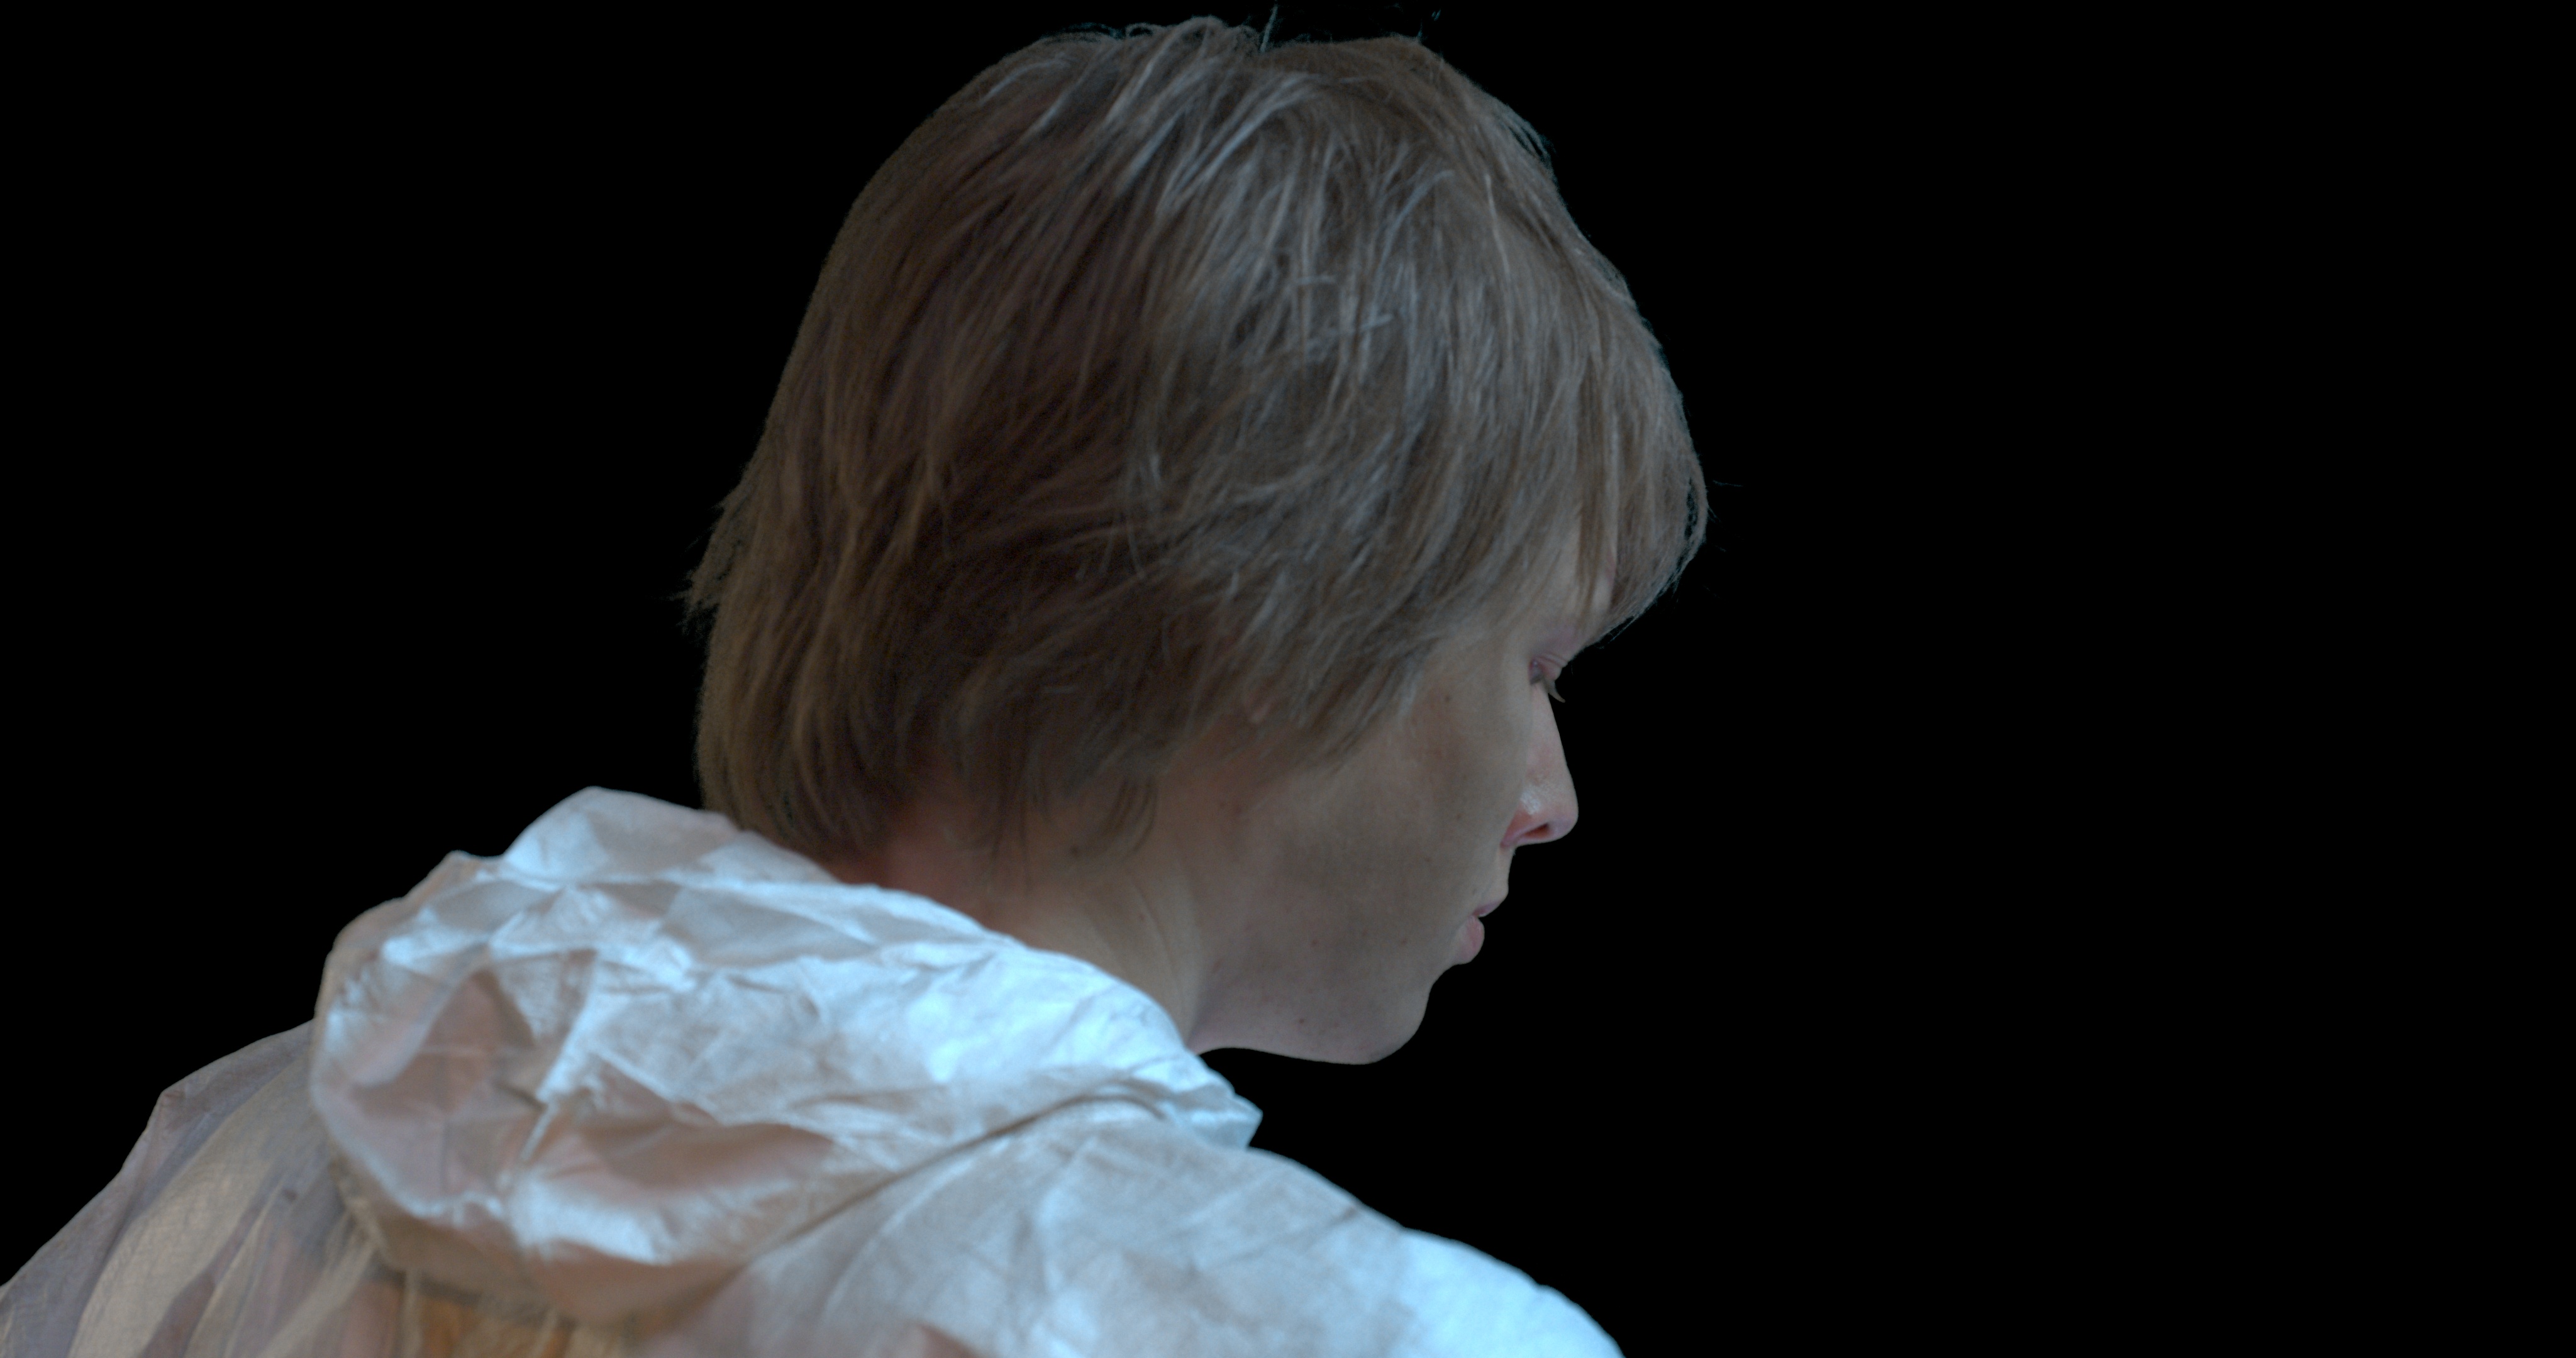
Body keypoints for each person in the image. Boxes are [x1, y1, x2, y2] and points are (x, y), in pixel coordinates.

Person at [1, 18, 1701, 1355]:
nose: (1549, 800)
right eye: (1537, 667)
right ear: (1277, 613)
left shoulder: (251, 1154)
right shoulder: (1364, 1337)